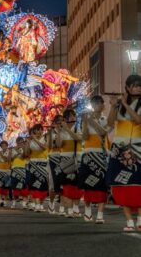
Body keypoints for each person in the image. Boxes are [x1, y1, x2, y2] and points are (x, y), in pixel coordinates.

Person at [107, 75, 141, 231]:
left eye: (139, 85)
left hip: (137, 149)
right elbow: (110, 123)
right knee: (122, 185)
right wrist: (114, 106)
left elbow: (138, 119)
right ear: (127, 87)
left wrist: (125, 104)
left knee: (137, 185)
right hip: (119, 149)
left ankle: (140, 220)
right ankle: (129, 222)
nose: (136, 88)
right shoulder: (120, 105)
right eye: (133, 86)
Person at [80, 96, 109, 224]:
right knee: (88, 184)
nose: (99, 105)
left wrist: (91, 121)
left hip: (101, 155)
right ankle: (87, 210)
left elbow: (103, 133)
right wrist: (86, 122)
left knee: (102, 185)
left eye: (100, 103)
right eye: (96, 103)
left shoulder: (105, 119)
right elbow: (85, 137)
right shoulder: (86, 119)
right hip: (88, 155)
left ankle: (100, 214)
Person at [57, 109, 83, 218]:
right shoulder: (62, 130)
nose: (72, 118)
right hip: (65, 160)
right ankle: (70, 209)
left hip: (77, 159)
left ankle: (76, 208)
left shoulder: (78, 127)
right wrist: (59, 131)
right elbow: (58, 145)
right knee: (67, 185)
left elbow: (78, 138)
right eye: (69, 116)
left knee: (77, 185)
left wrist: (67, 129)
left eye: (73, 115)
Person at [27, 124, 49, 212]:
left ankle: (41, 204)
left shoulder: (46, 138)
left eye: (41, 129)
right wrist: (28, 143)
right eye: (37, 130)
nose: (39, 131)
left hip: (43, 163)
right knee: (34, 184)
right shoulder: (31, 140)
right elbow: (27, 153)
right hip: (33, 163)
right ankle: (36, 204)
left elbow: (44, 147)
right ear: (34, 131)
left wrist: (35, 139)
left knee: (43, 185)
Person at [47, 115, 64, 215]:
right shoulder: (51, 133)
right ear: (54, 123)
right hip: (53, 158)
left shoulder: (66, 131)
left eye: (62, 121)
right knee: (53, 182)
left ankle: (62, 206)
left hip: (64, 157)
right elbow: (49, 146)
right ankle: (51, 202)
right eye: (58, 122)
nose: (60, 123)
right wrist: (50, 135)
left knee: (63, 181)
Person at [10, 136, 30, 209]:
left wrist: (24, 148)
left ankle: (24, 203)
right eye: (19, 142)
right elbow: (10, 159)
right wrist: (16, 152)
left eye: (22, 142)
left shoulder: (25, 148)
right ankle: (14, 202)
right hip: (15, 168)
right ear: (17, 142)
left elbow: (25, 156)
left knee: (24, 186)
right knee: (14, 186)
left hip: (23, 168)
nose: (20, 144)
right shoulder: (12, 149)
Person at [0, 141, 11, 207]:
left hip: (6, 170)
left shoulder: (9, 152)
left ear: (7, 146)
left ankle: (5, 200)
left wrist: (0, 154)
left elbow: (7, 160)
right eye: (2, 146)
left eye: (5, 145)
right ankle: (0, 200)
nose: (4, 147)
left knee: (6, 186)